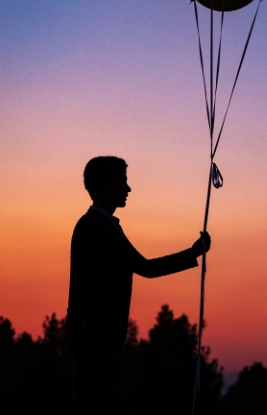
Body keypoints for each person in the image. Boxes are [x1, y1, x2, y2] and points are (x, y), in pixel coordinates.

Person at [67, 155, 211, 414]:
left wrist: (192, 253)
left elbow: (146, 267)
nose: (128, 188)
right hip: (95, 343)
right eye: (123, 181)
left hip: (106, 342)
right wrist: (101, 335)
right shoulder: (89, 226)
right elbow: (82, 288)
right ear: (104, 185)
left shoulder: (110, 227)